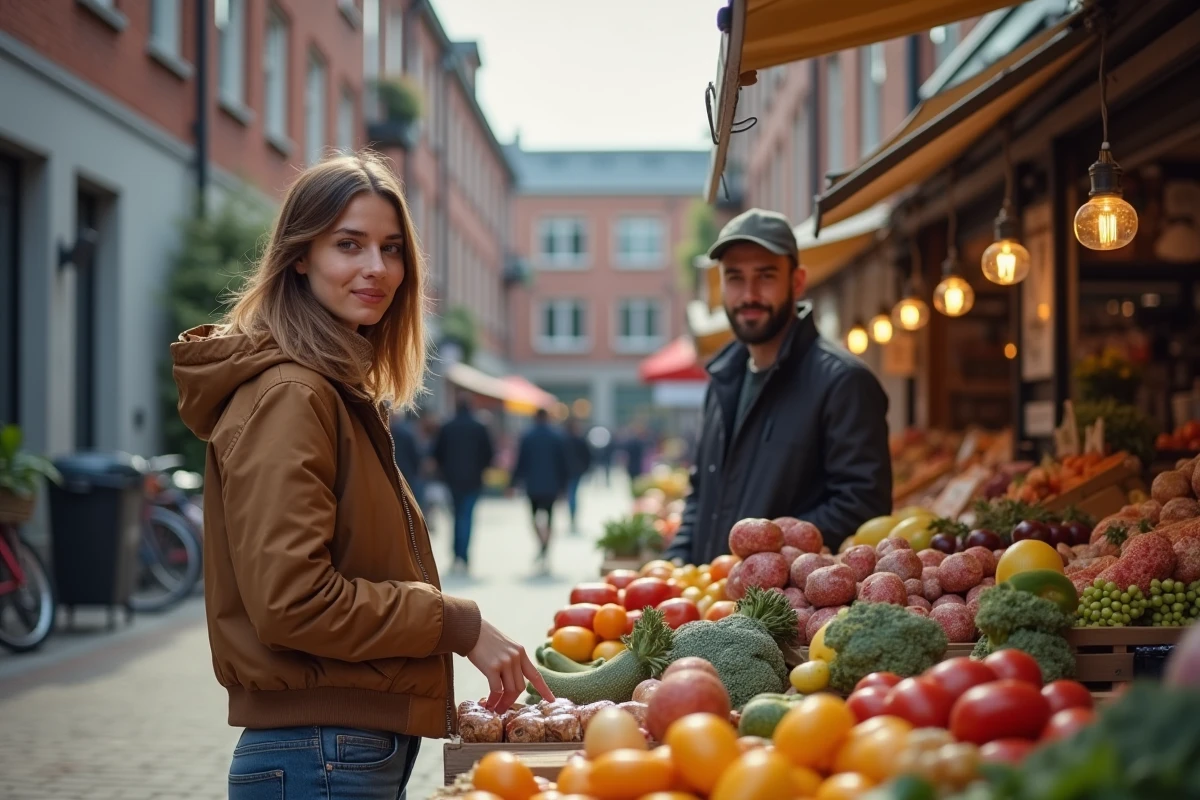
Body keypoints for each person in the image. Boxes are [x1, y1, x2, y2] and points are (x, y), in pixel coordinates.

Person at [171, 151, 551, 800]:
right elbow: (295, 602)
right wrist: (459, 625)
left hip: (338, 748)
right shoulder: (293, 394)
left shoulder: (331, 389)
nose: (377, 268)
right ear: (300, 255)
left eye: (392, 248)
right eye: (349, 245)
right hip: (320, 752)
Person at [662, 207, 892, 567]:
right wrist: (676, 565)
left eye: (765, 276)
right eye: (735, 278)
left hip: (782, 612)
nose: (749, 295)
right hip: (710, 602)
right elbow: (701, 495)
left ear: (797, 282)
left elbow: (861, 506)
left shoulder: (843, 382)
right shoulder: (722, 378)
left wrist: (759, 554)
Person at [432, 397, 496, 574]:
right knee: (467, 516)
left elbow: (437, 453)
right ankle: (464, 555)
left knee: (456, 516)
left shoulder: (447, 426)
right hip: (473, 479)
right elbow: (489, 453)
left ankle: (456, 554)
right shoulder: (479, 427)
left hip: (452, 479)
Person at [510, 408, 570, 574]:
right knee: (550, 519)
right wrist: (564, 486)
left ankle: (542, 545)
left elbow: (520, 462)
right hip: (552, 485)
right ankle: (545, 547)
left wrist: (512, 482)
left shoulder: (528, 436)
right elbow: (563, 463)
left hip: (533, 485)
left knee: (534, 518)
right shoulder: (557, 436)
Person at [390, 406, 426, 510]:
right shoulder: (408, 434)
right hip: (406, 474)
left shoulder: (392, 433)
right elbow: (415, 457)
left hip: (396, 474)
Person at [563, 418, 593, 534]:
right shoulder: (579, 440)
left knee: (571, 494)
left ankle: (572, 516)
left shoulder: (563, 440)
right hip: (576, 472)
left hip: (569, 472)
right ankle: (572, 516)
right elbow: (588, 456)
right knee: (573, 494)